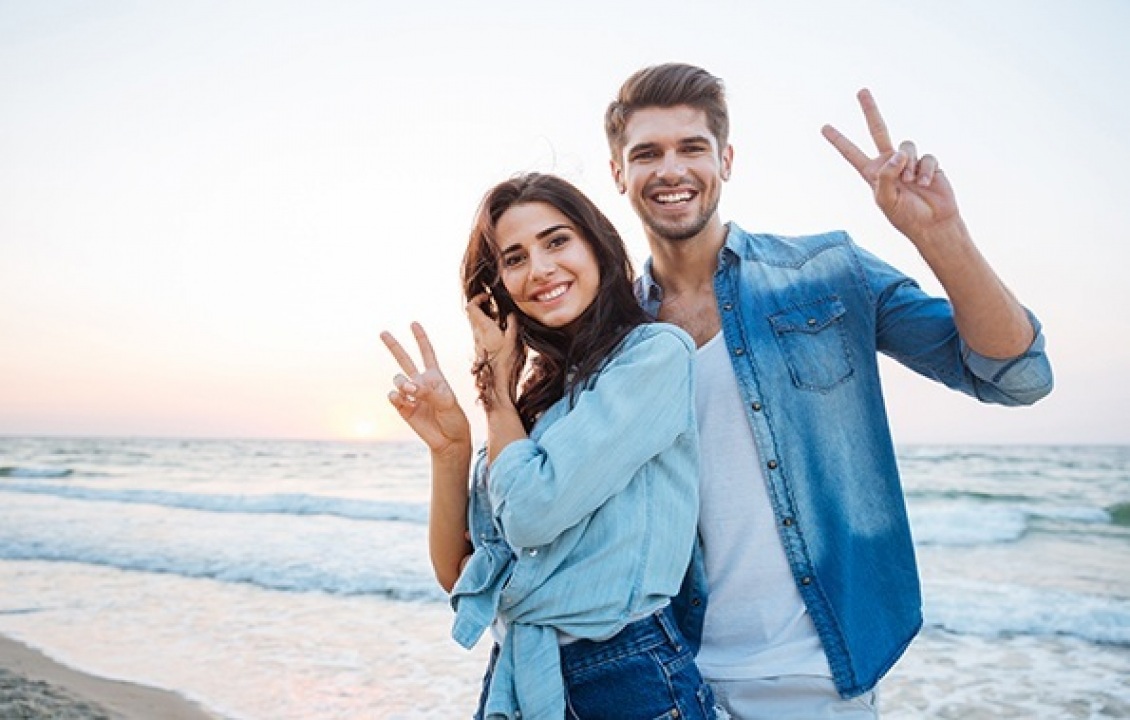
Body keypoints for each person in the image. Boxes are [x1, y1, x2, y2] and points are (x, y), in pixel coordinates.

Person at [602, 63, 1054, 718]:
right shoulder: (611, 333)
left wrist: (938, 236)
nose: (671, 169)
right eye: (647, 153)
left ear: (726, 160)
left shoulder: (825, 271)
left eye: (691, 148)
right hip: (672, 684)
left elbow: (1016, 375)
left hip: (819, 685)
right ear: (619, 172)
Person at [380, 172, 717, 720]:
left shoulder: (653, 357)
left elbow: (533, 513)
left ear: (597, 245)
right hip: (520, 669)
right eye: (513, 258)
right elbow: (460, 571)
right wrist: (452, 449)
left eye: (557, 241)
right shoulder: (533, 403)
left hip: (628, 678)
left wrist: (493, 393)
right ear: (496, 288)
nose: (539, 269)